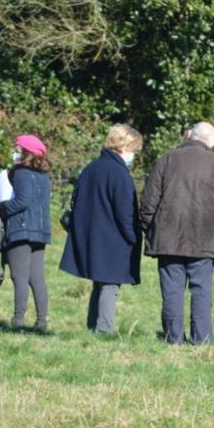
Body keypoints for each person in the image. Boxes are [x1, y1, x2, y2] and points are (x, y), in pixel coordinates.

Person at [140, 122, 214, 345]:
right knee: (201, 290)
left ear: (189, 135)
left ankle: (173, 339)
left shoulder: (166, 159)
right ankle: (201, 339)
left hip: (168, 235)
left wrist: (149, 227)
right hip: (205, 236)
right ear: (212, 142)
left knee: (172, 290)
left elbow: (148, 200)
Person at [59, 124, 143, 335]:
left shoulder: (91, 167)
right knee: (110, 285)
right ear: (125, 146)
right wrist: (134, 237)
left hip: (92, 235)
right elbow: (126, 213)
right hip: (112, 239)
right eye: (134, 150)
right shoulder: (120, 174)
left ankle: (92, 325)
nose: (134, 155)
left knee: (99, 282)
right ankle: (105, 329)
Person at [0, 135, 53, 332]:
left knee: (19, 277)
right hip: (40, 231)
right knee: (37, 278)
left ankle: (18, 320)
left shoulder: (20, 173)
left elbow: (22, 201)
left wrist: (3, 207)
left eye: (17, 148)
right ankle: (41, 322)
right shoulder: (44, 176)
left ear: (25, 153)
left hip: (21, 229)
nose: (15, 152)